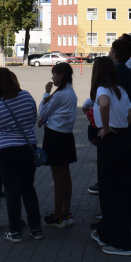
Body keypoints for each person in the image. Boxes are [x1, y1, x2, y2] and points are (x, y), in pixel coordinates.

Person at [0, 68, 42, 243]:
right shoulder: (26, 96)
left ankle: (15, 230)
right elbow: (33, 117)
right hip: (27, 147)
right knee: (28, 188)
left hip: (5, 150)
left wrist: (3, 137)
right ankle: (36, 228)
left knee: (11, 190)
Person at [88, 57, 131, 256]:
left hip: (110, 140)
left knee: (109, 190)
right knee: (119, 188)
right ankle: (108, 231)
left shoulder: (102, 89)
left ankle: (120, 242)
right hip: (124, 139)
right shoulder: (121, 90)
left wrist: (106, 127)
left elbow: (105, 104)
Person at [38, 62, 78, 228]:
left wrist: (46, 94)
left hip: (55, 136)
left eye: (54, 74)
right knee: (65, 175)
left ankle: (57, 215)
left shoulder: (60, 94)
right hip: (66, 136)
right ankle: (65, 212)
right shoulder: (70, 92)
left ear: (61, 75)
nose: (52, 78)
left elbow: (43, 110)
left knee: (58, 177)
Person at [110, 35, 131, 228]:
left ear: (113, 53)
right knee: (129, 171)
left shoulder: (111, 75)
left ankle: (114, 214)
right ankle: (130, 213)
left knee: (113, 173)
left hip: (116, 130)